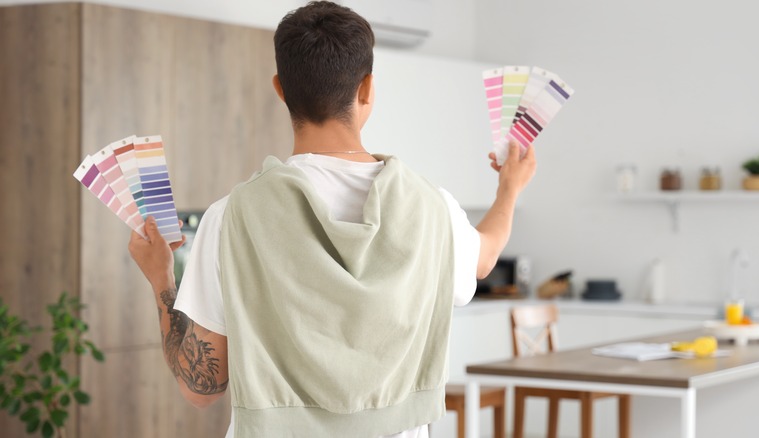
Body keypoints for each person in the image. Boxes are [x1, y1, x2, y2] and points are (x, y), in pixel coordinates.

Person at [128, 1, 536, 437]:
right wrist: (509, 190)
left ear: (281, 89)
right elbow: (486, 254)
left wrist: (161, 279)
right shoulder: (431, 208)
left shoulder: (231, 217)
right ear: (367, 89)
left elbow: (201, 387)